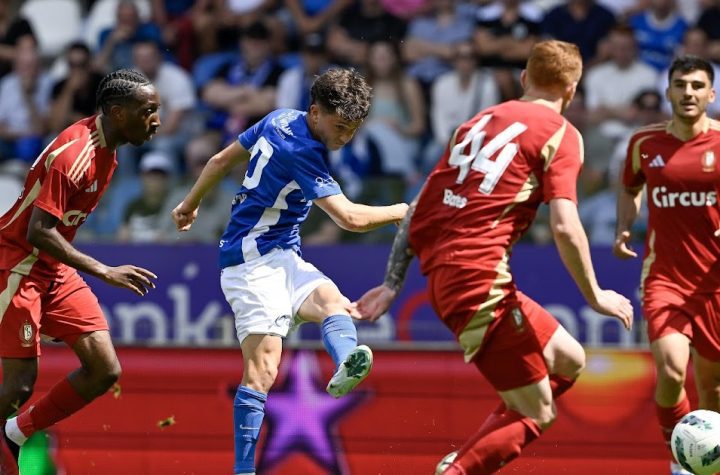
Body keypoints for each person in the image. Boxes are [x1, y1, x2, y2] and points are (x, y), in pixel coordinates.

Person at [354, 40, 634, 475]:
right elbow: (564, 225)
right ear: (572, 89)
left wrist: (392, 283)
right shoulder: (561, 134)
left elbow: (420, 207)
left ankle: (467, 458)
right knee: (538, 412)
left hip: (458, 275)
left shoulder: (476, 123)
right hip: (479, 281)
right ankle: (462, 469)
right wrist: (595, 294)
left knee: (568, 359)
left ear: (523, 78)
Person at [170, 67, 408, 475]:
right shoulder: (303, 150)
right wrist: (402, 211)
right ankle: (243, 470)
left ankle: (346, 363)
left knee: (333, 302)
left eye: (353, 130)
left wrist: (189, 204)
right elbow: (349, 218)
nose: (345, 137)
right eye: (340, 127)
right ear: (315, 112)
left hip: (282, 254)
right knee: (263, 370)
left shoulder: (279, 117)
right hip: (249, 263)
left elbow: (220, 160)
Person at [0, 69, 161, 474]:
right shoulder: (74, 156)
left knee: (104, 370)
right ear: (118, 112)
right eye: (148, 111)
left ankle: (15, 433)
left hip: (51, 268)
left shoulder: (109, 152)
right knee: (20, 383)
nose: (156, 120)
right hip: (18, 264)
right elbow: (38, 231)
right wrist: (104, 271)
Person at [613, 55, 720, 475]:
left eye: (697, 86)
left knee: (712, 389)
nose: (688, 93)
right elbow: (629, 187)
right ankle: (680, 462)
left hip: (715, 283)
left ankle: (706, 466)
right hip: (665, 279)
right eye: (680, 85)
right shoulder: (644, 143)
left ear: (711, 94)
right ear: (668, 91)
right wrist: (625, 227)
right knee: (673, 371)